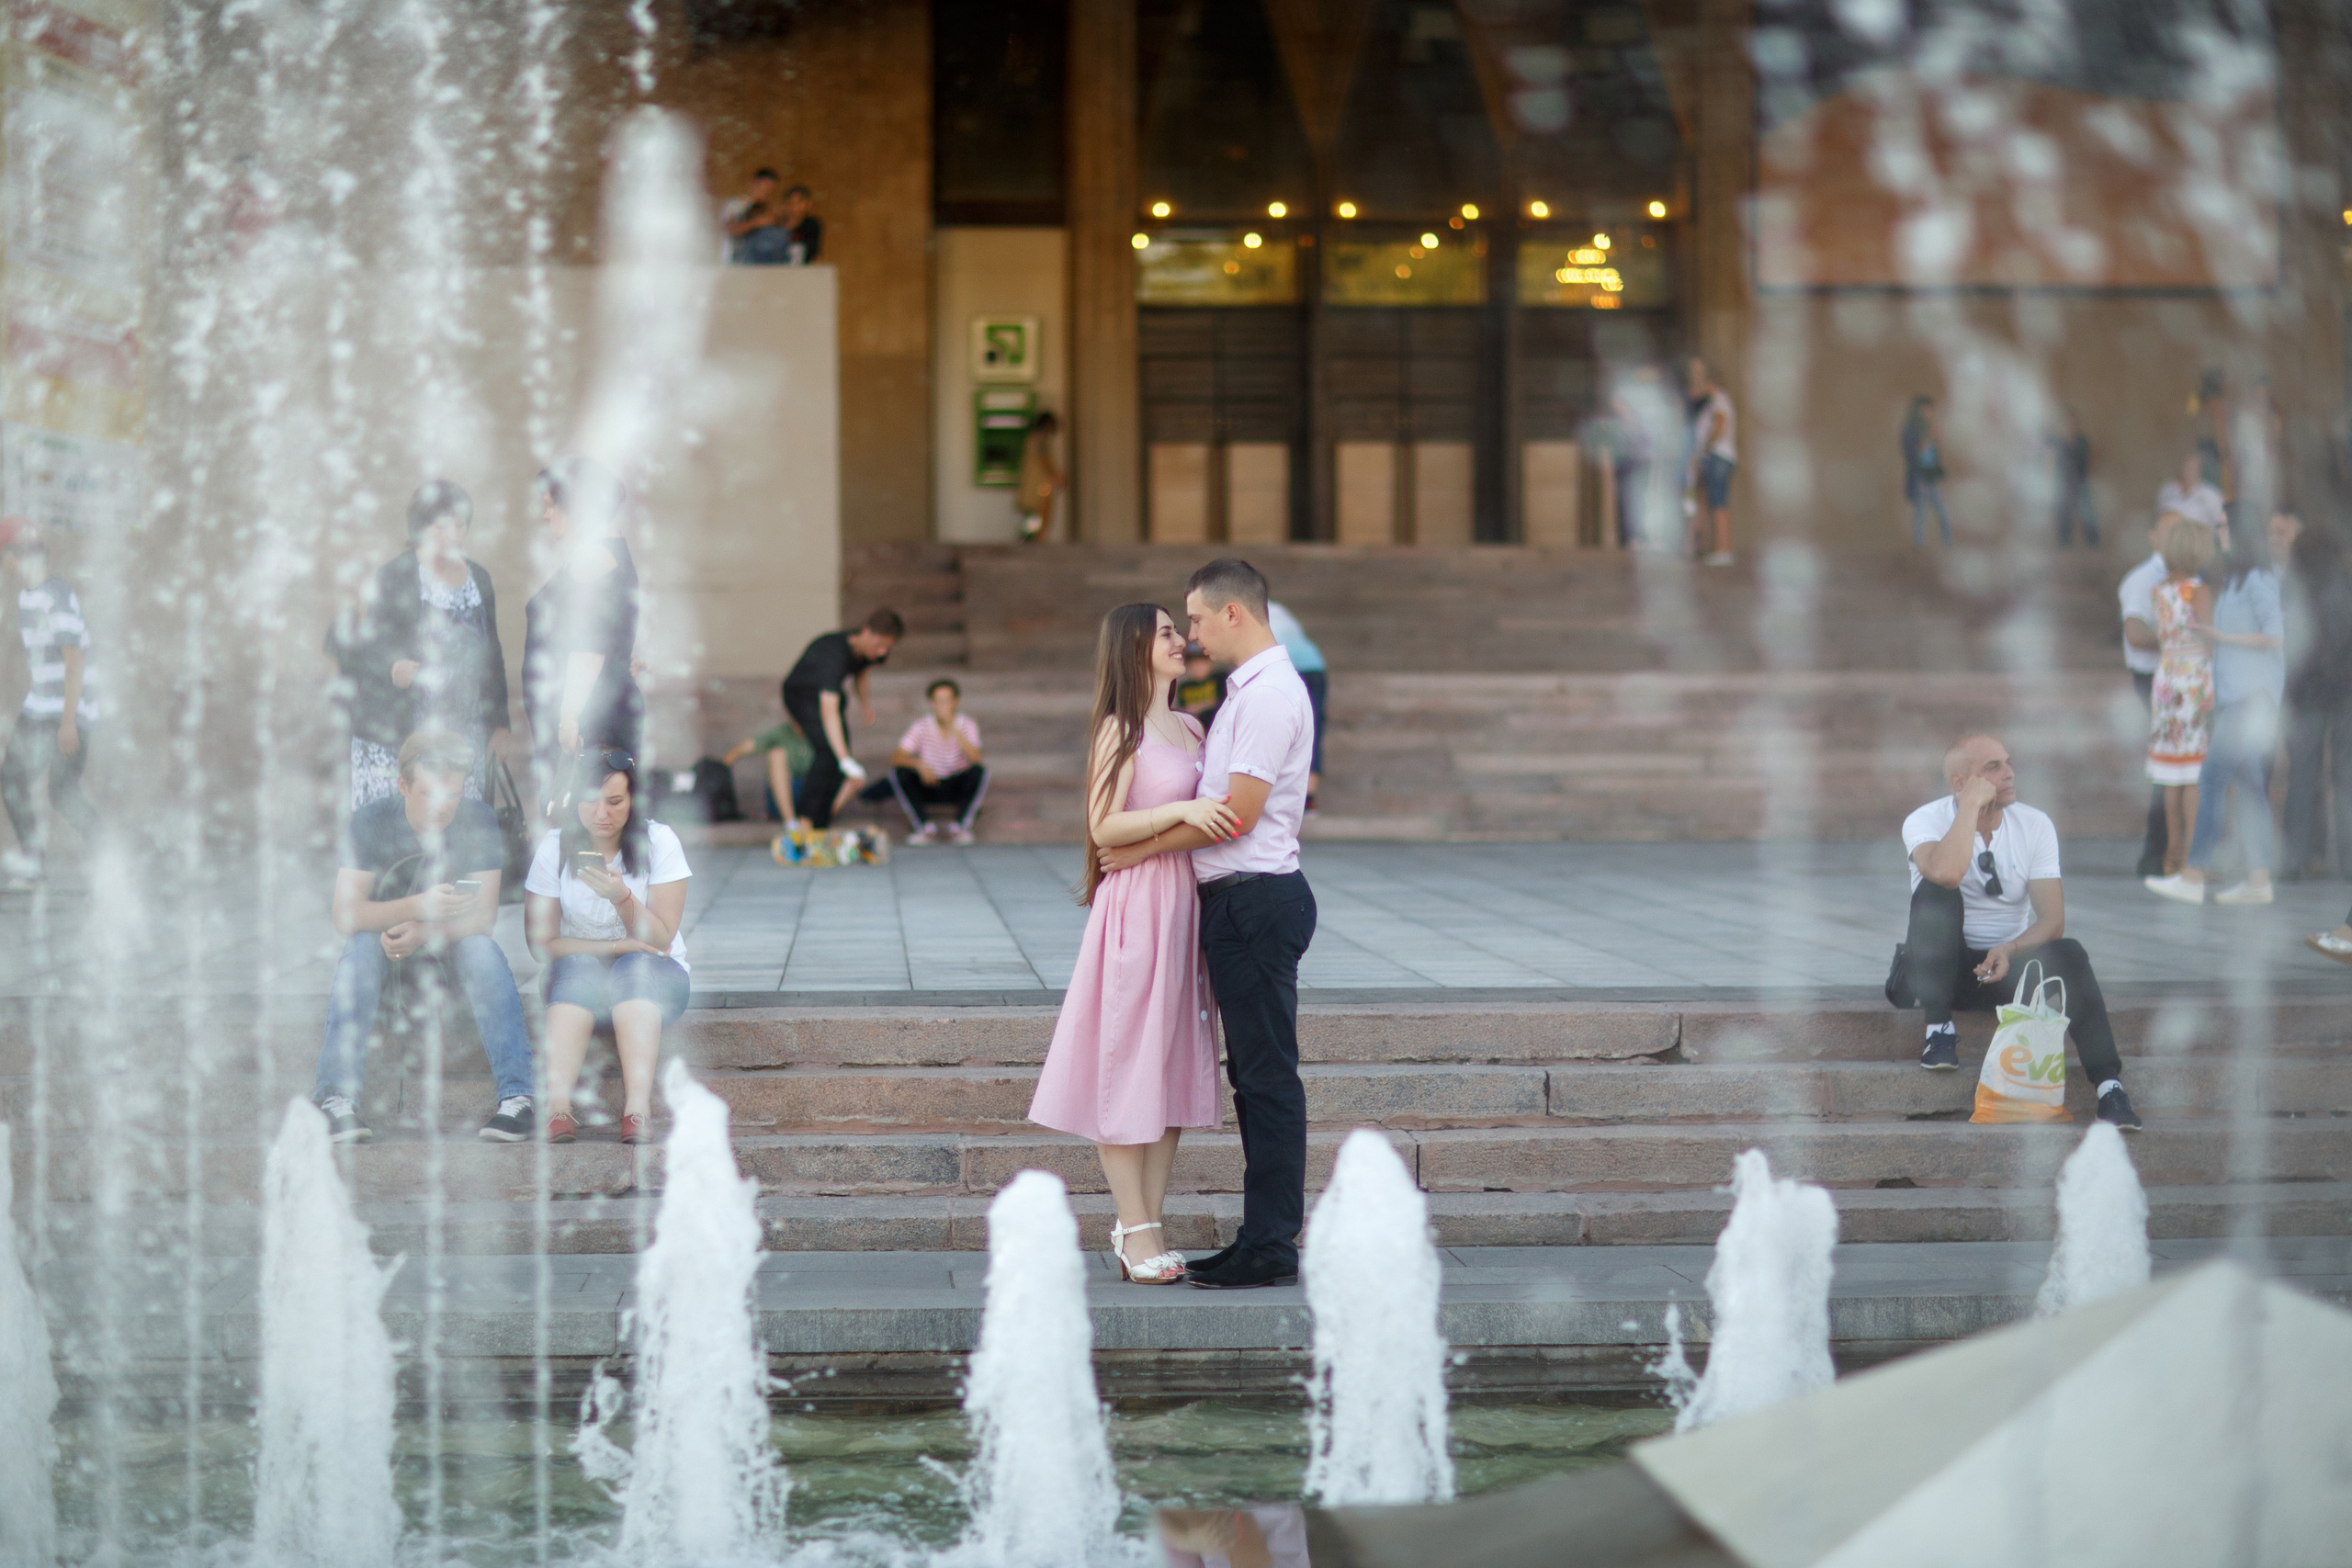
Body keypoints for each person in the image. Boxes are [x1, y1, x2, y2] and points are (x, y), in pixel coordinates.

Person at [1099, 558, 1317, 1291]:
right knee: (1254, 1077)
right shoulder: (1236, 697)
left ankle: (1271, 1244)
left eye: (1193, 618)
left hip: (1254, 898)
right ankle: (1262, 1237)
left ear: (1233, 614)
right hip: (1235, 903)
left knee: (1265, 1078)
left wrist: (1139, 847)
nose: (1188, 632)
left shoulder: (1262, 699)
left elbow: (1237, 815)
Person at [1028, 604, 1238, 1284]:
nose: (1181, 639)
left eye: (1180, 628)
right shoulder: (1120, 729)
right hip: (1138, 910)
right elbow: (1102, 825)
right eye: (1167, 631)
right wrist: (1176, 811)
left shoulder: (1192, 725)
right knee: (1127, 1068)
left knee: (1170, 1066)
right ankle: (1135, 1230)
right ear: (1134, 646)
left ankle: (1146, 1224)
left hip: (1184, 906)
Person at [1898, 734, 2141, 1131]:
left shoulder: (2034, 824)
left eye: (2008, 763)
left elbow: (2052, 919)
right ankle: (1938, 1031)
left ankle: (2110, 1089)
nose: (2009, 773)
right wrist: (1971, 809)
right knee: (1935, 892)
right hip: (1943, 970)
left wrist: (2010, 948)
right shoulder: (1925, 820)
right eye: (1992, 767)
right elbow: (1945, 872)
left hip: (2005, 972)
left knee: (2071, 952)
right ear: (1960, 782)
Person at [312, 730, 535, 1145]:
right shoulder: (371, 821)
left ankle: (519, 1098)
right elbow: (346, 915)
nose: (443, 807)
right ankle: (334, 1099)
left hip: (449, 958)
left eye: (452, 796)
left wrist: (427, 933)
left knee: (481, 949)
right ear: (402, 785)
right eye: (429, 794)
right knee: (360, 945)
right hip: (385, 959)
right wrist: (419, 907)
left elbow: (483, 917)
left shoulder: (478, 818)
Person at [525, 750, 692, 1145]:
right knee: (581, 965)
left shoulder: (659, 841)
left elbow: (661, 939)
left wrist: (622, 897)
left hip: (654, 975)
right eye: (589, 800)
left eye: (615, 802)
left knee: (635, 966)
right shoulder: (554, 847)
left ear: (633, 802)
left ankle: (637, 1111)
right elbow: (541, 943)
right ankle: (557, 1109)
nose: (601, 813)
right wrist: (616, 945)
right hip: (579, 983)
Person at [327, 480, 511, 808]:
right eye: (441, 526)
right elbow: (366, 642)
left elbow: (492, 655)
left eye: (460, 524)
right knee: (394, 838)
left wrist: (500, 725)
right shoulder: (395, 576)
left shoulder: (479, 579)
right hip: (398, 737)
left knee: (458, 832)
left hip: (463, 737)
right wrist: (391, 666)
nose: (452, 534)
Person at [2149, 514, 2285, 905]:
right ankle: (2259, 879)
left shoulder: (2258, 579)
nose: (2219, 533)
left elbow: (2276, 637)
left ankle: (2193, 875)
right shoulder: (2237, 580)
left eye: (2226, 525)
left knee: (2210, 780)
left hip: (2249, 699)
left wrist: (2219, 637)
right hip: (2234, 696)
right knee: (2249, 787)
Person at [522, 458, 640, 814]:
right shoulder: (608, 553)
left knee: (580, 824)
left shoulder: (594, 558)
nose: (545, 516)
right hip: (598, 707)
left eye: (550, 506)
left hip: (588, 715)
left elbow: (587, 647)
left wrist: (569, 717)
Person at [0, 519, 100, 886]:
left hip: (65, 710)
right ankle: (34, 861)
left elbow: (74, 659)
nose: (4, 566)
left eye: (4, 556)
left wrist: (69, 722)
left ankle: (107, 856)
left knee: (62, 791)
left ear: (18, 555)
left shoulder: (53, 595)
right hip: (40, 705)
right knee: (11, 778)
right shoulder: (29, 595)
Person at [780, 608, 902, 829]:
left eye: (887, 647)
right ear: (867, 633)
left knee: (839, 761)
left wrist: (865, 706)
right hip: (801, 695)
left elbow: (862, 672)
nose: (882, 652)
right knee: (829, 753)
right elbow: (829, 711)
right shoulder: (833, 656)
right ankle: (803, 824)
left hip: (829, 697)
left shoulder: (868, 649)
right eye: (879, 646)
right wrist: (843, 758)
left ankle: (820, 824)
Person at [2142, 514, 2215, 880]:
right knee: (2194, 770)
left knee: (2170, 770)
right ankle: (2191, 855)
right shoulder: (2198, 592)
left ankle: (2172, 849)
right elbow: (2209, 638)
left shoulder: (2160, 591)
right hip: (2194, 678)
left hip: (2167, 678)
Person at [2281, 520, 2352, 880]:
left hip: (2308, 694)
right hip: (2346, 693)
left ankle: (2296, 856)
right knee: (2346, 778)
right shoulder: (2346, 587)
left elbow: (2295, 647)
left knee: (2302, 776)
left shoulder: (2297, 591)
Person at [2118, 535, 2173, 877]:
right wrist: (2183, 639)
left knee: (2177, 768)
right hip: (2156, 679)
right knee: (2168, 767)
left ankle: (2172, 852)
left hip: (2178, 679)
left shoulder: (2186, 583)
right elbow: (2136, 634)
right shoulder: (2143, 580)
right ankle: (2158, 852)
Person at [883, 678, 989, 844]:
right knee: (899, 773)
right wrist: (918, 765)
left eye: (946, 701)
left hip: (956, 783)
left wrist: (952, 728)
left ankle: (961, 827)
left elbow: (976, 758)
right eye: (937, 701)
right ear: (931, 703)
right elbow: (896, 757)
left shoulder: (967, 725)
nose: (942, 706)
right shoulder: (921, 725)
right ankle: (923, 828)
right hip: (929, 782)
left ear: (955, 702)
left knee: (979, 772)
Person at [1265, 602, 1326, 811]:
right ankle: (1309, 796)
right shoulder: (1280, 611)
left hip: (1290, 670)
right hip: (1314, 667)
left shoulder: (1256, 615)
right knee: (1313, 727)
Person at [1683, 356, 1736, 566]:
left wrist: (1706, 448)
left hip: (1718, 456)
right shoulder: (1711, 403)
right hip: (1712, 457)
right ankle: (1703, 546)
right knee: (1705, 501)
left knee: (1718, 503)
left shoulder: (1719, 400)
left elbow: (1720, 424)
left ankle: (1723, 550)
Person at [720, 716, 814, 827]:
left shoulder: (823, 732)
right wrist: (719, 771)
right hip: (788, 796)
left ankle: (820, 817)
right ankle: (791, 824)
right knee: (776, 754)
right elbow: (745, 747)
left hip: (816, 798)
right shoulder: (784, 732)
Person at [1900, 395, 1951, 547]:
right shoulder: (1910, 430)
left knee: (1942, 512)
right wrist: (1928, 439)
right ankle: (1918, 545)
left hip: (1930, 475)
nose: (1929, 413)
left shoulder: (1929, 427)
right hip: (1918, 476)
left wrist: (1935, 441)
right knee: (1921, 512)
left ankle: (1948, 543)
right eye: (1926, 410)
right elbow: (1911, 453)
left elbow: (1934, 453)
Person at [2049, 408, 2097, 547]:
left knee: (2087, 514)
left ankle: (2093, 544)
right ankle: (2064, 545)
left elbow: (2091, 460)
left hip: (2081, 483)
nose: (2070, 426)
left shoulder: (2083, 442)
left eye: (2072, 423)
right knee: (2064, 517)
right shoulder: (2057, 442)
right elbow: (2051, 464)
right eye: (2067, 423)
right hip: (2064, 484)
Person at [1017, 411, 1063, 543]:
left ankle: (1027, 544)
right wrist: (1055, 477)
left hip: (1032, 489)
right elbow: (1043, 461)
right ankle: (1031, 547)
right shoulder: (1040, 439)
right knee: (1038, 519)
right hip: (1039, 488)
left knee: (1032, 520)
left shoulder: (1032, 438)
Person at [2156, 450, 2226, 532]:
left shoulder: (2211, 493)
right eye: (2187, 465)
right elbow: (2159, 516)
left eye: (2193, 467)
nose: (2189, 470)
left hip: (2199, 541)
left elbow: (2220, 523)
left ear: (2200, 469)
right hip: (2170, 541)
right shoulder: (2167, 489)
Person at [720, 167, 781, 262]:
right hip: (735, 260)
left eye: (769, 191)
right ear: (753, 183)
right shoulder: (735, 205)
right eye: (762, 188)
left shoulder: (768, 209)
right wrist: (756, 222)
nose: (765, 193)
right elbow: (728, 229)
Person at [1176, 642, 1224, 729]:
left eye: (1202, 661)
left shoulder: (1220, 679)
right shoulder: (1184, 687)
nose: (1197, 666)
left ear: (1210, 662)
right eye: (1193, 662)